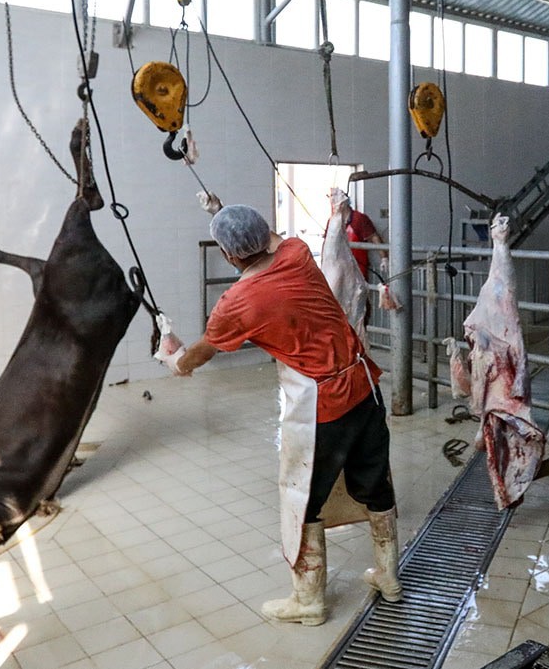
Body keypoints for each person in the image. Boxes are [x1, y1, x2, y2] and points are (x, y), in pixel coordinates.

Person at [159, 202, 402, 626]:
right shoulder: (297, 253)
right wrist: (222, 210)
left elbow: (200, 354)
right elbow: (266, 238)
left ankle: (308, 600)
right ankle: (389, 576)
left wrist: (175, 359)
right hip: (365, 389)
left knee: (303, 500)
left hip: (324, 408)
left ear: (227, 255)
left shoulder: (236, 303)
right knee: (376, 483)